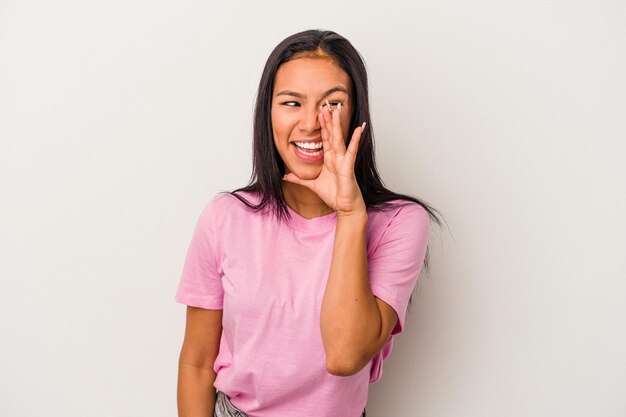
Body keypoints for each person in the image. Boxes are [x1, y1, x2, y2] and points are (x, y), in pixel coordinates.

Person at [175, 29, 442, 417]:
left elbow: (345, 355)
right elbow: (197, 364)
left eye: (332, 103)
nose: (311, 123)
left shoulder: (398, 223)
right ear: (268, 113)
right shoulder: (225, 217)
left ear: (356, 115)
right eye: (291, 103)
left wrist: (350, 213)